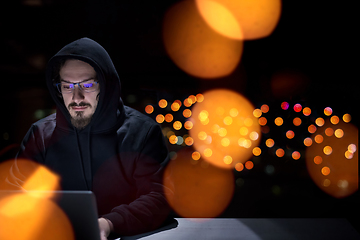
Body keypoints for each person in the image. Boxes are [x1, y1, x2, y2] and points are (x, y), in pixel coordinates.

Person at [7, 37, 171, 239]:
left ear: (105, 85)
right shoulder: (40, 134)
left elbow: (160, 197)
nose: (76, 97)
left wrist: (108, 224)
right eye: (67, 86)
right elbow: (15, 194)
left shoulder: (142, 133)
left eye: (87, 85)